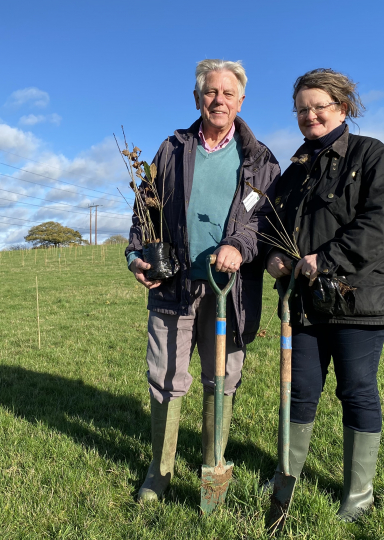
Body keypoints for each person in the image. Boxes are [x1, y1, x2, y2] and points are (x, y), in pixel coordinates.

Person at [125, 59, 280, 502]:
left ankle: (213, 462)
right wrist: (137, 255)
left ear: (241, 101)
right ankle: (159, 472)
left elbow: (264, 221)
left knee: (223, 376)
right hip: (173, 285)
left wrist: (237, 244)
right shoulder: (172, 148)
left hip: (228, 291)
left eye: (228, 93)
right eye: (211, 92)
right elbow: (145, 210)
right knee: (166, 374)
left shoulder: (260, 159)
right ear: (197, 98)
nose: (219, 100)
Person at [265, 68, 384, 522]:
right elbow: (271, 227)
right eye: (301, 110)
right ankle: (287, 473)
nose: (309, 116)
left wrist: (324, 258)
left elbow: (382, 226)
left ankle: (358, 495)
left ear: (342, 108)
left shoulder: (371, 156)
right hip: (305, 304)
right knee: (300, 390)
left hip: (359, 299)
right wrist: (273, 256)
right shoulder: (294, 172)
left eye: (318, 107)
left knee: (357, 390)